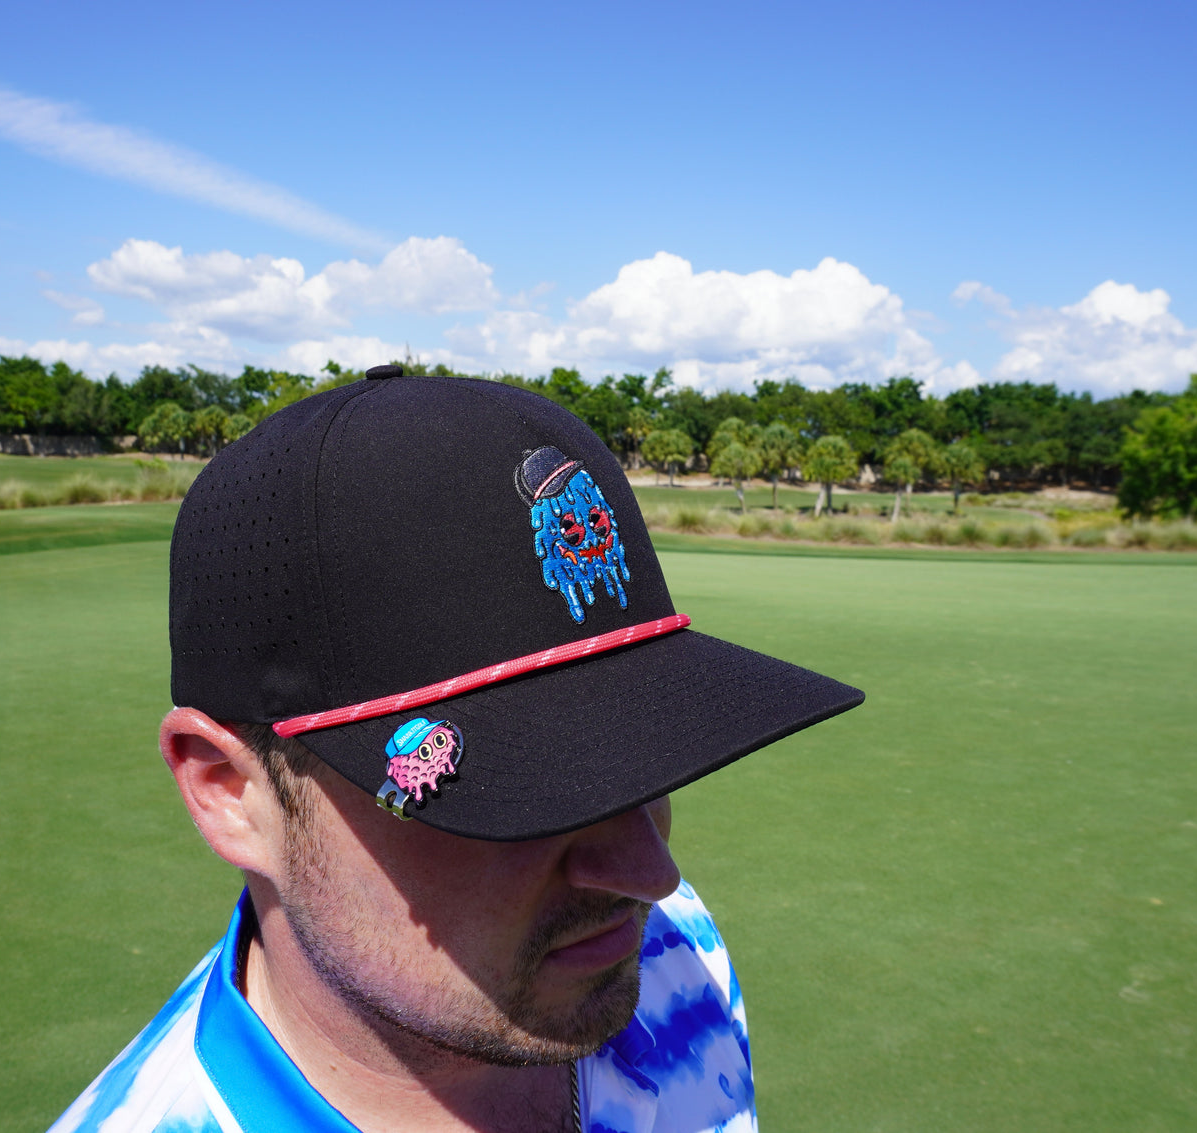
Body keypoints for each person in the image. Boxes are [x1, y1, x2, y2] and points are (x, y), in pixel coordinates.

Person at [47, 366, 863, 1133]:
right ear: (230, 789)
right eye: (524, 797)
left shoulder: (679, 953)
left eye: (641, 760)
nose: (653, 876)